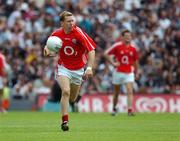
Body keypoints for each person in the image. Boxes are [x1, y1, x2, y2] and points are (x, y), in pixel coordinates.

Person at [44, 11, 96, 131]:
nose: (71, 23)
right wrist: (47, 51)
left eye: (73, 20)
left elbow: (91, 51)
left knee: (72, 98)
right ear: (62, 23)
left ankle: (75, 100)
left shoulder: (78, 33)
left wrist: (89, 68)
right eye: (68, 21)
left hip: (78, 69)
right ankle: (65, 121)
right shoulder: (56, 34)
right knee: (65, 91)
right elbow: (48, 46)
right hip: (63, 67)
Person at [104, 29, 139, 116]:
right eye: (126, 36)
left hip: (129, 72)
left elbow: (135, 61)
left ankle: (130, 110)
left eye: (129, 36)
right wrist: (113, 63)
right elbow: (105, 53)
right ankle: (114, 108)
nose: (128, 38)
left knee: (130, 90)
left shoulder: (133, 48)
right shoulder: (117, 46)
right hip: (118, 72)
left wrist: (137, 72)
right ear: (122, 37)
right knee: (116, 92)